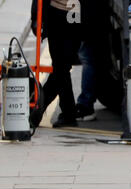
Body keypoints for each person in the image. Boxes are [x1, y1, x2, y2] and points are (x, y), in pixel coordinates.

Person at [30, 0, 81, 128]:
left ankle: (39, 108)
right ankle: (68, 114)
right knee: (61, 66)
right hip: (54, 11)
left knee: (62, 66)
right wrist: (36, 16)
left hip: (74, 11)